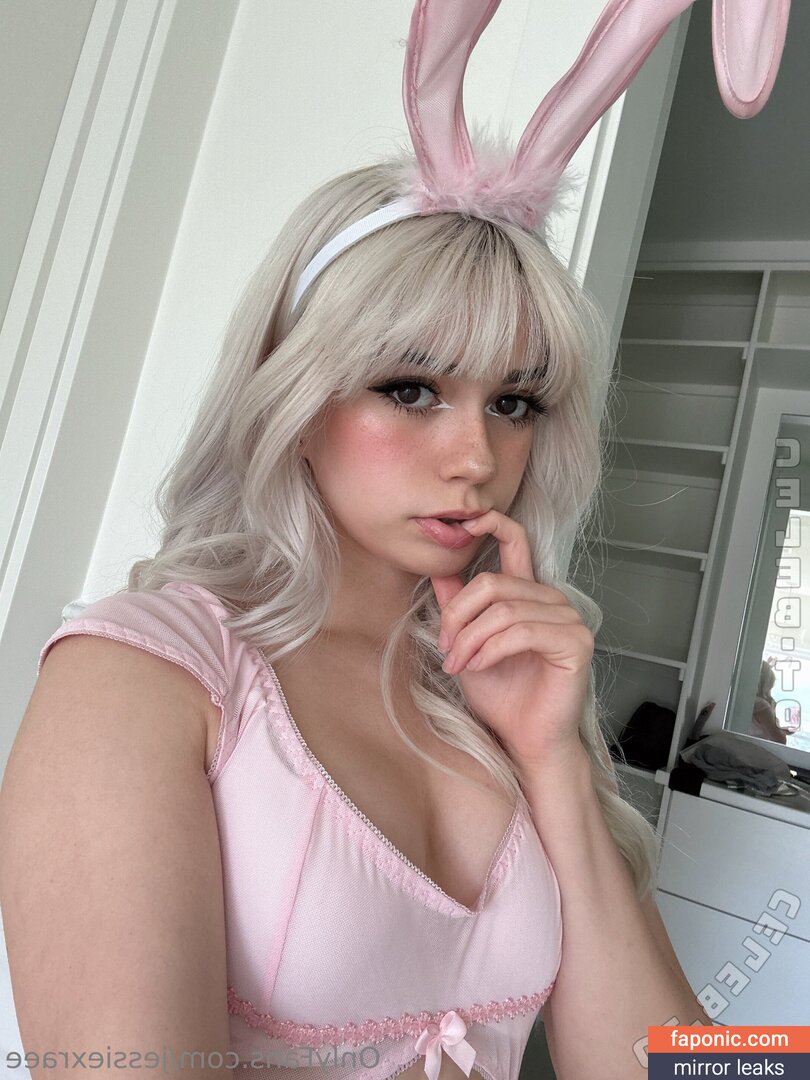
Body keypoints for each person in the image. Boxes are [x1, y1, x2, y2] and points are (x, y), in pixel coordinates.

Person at [0, 1, 789, 1078]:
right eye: (411, 388)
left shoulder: (507, 691)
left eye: (515, 403)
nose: (476, 455)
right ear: (295, 395)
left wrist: (555, 758)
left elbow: (703, 1070)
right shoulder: (139, 675)